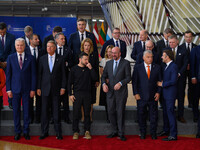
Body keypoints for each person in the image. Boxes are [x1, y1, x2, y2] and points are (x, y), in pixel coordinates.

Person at [6, 38, 36, 140]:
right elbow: (8, 75)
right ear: (15, 46)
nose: (19, 47)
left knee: (27, 111)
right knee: (16, 112)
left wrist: (33, 89)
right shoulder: (10, 58)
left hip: (27, 90)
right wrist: (8, 90)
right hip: (14, 90)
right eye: (18, 45)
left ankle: (26, 131)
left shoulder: (31, 58)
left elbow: (33, 75)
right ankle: (17, 131)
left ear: (24, 46)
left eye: (21, 45)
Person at [37, 40, 66, 140]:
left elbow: (63, 75)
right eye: (47, 46)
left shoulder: (61, 59)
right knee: (44, 112)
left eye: (50, 47)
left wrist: (63, 87)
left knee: (56, 111)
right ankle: (44, 132)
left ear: (54, 47)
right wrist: (38, 88)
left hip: (56, 90)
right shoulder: (42, 59)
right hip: (44, 90)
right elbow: (39, 75)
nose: (48, 48)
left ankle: (58, 132)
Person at [102, 47, 131, 141]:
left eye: (115, 53)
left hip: (121, 93)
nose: (113, 55)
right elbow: (103, 76)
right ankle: (114, 131)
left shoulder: (126, 63)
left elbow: (128, 77)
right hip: (110, 92)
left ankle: (121, 133)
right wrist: (103, 84)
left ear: (120, 53)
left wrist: (120, 83)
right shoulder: (108, 63)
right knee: (110, 112)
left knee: (120, 112)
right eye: (112, 53)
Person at [132, 50, 161, 140]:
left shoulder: (157, 67)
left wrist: (158, 92)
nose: (150, 59)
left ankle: (153, 133)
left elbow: (160, 82)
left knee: (153, 116)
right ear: (143, 58)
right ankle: (143, 133)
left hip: (153, 97)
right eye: (148, 57)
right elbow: (134, 82)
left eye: (151, 57)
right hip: (141, 97)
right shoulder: (138, 67)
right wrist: (135, 93)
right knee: (141, 115)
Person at [68, 52, 97, 140]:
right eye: (85, 59)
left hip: (87, 94)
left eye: (87, 59)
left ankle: (87, 131)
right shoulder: (73, 69)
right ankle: (75, 131)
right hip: (77, 94)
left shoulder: (89, 69)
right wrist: (70, 94)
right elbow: (69, 83)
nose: (87, 61)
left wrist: (91, 68)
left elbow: (95, 78)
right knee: (76, 114)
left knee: (87, 114)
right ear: (80, 59)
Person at [157, 50, 178, 141]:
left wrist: (163, 84)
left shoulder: (174, 66)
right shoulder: (166, 66)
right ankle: (166, 130)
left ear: (167, 57)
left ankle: (173, 135)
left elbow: (174, 81)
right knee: (165, 113)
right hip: (165, 94)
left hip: (170, 94)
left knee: (170, 114)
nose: (161, 57)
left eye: (163, 56)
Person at [168, 35, 188, 123]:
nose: (171, 44)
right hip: (169, 79)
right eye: (170, 42)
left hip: (180, 79)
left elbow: (185, 64)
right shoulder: (166, 51)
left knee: (180, 97)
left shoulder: (184, 50)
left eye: (173, 42)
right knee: (170, 97)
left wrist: (179, 73)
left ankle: (180, 115)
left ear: (177, 42)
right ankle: (170, 115)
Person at [55, 32, 73, 124]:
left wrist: (65, 64)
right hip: (54, 78)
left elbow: (71, 63)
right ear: (56, 40)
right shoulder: (52, 49)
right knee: (55, 100)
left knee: (65, 99)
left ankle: (66, 117)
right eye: (61, 39)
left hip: (65, 77)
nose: (63, 40)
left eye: (64, 39)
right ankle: (55, 117)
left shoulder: (68, 50)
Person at [80, 38, 99, 123]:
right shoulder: (80, 55)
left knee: (91, 100)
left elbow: (96, 68)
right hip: (82, 82)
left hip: (92, 81)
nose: (87, 47)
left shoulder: (94, 55)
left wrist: (97, 80)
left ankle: (90, 117)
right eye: (85, 45)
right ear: (83, 46)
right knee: (82, 101)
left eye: (88, 45)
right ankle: (83, 117)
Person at [25, 33, 43, 124]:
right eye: (36, 39)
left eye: (38, 39)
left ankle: (38, 118)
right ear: (30, 40)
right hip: (29, 80)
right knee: (29, 100)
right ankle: (30, 118)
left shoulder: (42, 50)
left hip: (40, 79)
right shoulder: (25, 50)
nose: (38, 40)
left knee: (40, 100)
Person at [0, 22, 16, 109]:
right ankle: (0, 103)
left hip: (8, 63)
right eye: (0, 32)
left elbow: (13, 51)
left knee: (10, 82)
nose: (2, 34)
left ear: (6, 29)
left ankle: (11, 102)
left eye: (4, 32)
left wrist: (6, 62)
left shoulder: (12, 37)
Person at [180, 30, 197, 109]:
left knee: (192, 88)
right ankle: (181, 104)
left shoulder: (196, 47)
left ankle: (191, 103)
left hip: (193, 71)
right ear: (184, 37)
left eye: (190, 37)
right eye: (186, 37)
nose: (188, 38)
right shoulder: (181, 47)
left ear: (192, 37)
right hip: (183, 71)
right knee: (182, 87)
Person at [99, 45, 113, 123]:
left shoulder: (115, 60)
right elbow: (102, 72)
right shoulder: (103, 60)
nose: (109, 53)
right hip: (105, 83)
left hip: (113, 83)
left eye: (111, 51)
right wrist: (106, 79)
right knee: (106, 102)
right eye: (108, 52)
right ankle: (108, 117)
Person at [190, 37, 200, 125]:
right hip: (197, 79)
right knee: (195, 98)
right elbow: (192, 64)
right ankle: (196, 116)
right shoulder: (194, 50)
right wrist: (193, 76)